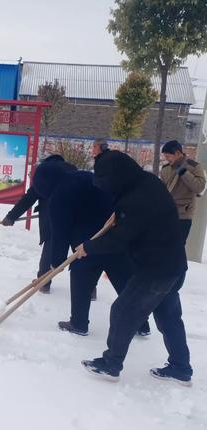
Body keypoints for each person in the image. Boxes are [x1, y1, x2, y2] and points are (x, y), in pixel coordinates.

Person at [78, 151, 192, 386]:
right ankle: (181, 368)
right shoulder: (146, 183)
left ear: (116, 178)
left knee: (123, 311)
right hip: (173, 264)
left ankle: (111, 365)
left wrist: (88, 247)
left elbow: (120, 239)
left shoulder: (136, 200)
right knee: (169, 318)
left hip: (155, 270)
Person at [32, 161, 150, 336]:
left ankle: (78, 323)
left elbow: (60, 233)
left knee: (81, 279)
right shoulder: (86, 176)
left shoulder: (58, 198)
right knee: (124, 283)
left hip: (87, 247)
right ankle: (141, 324)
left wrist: (56, 263)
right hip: (114, 239)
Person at [2, 154, 77, 294]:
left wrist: (11, 217)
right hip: (76, 215)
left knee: (50, 246)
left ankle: (44, 282)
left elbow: (29, 198)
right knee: (80, 249)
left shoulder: (45, 173)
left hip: (53, 216)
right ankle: (89, 288)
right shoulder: (72, 169)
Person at [160, 140, 206, 244]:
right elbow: (161, 190)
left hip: (183, 215)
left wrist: (183, 172)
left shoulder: (194, 167)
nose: (166, 159)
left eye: (168, 156)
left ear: (177, 153)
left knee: (177, 246)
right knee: (163, 245)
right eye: (165, 156)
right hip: (167, 214)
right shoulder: (165, 169)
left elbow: (199, 188)